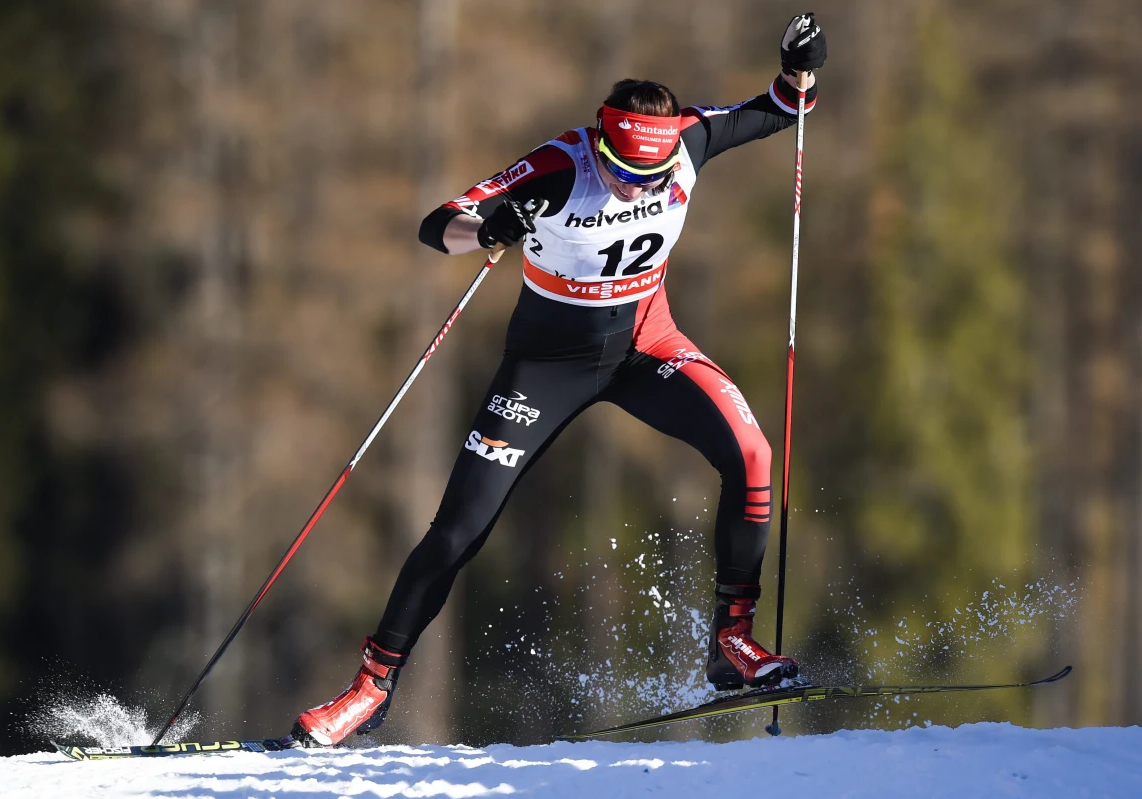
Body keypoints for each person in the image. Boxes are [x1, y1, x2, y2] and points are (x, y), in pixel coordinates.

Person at [291, 13, 827, 748]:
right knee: (458, 529)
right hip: (545, 367)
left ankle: (731, 641)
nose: (627, 185)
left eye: (647, 176)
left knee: (754, 454)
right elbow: (438, 223)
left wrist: (803, 66)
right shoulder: (559, 163)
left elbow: (779, 107)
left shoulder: (688, 144)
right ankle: (370, 686)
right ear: (599, 139)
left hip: (646, 345)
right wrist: (491, 227)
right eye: (618, 170)